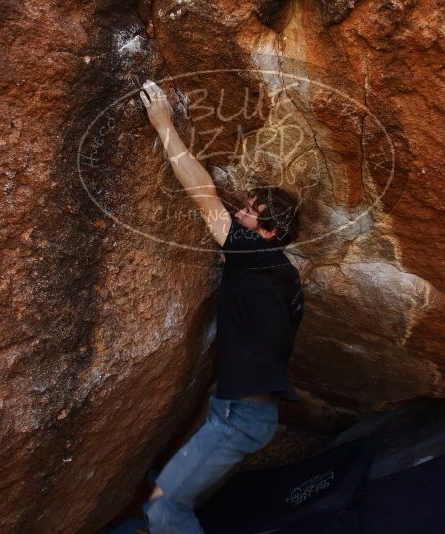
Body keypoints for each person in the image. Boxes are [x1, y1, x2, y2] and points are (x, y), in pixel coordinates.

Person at [138, 80, 305, 533]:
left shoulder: (255, 255)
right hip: (238, 408)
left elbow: (203, 196)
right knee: (166, 489)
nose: (240, 214)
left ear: (268, 232)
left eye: (250, 212)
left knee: (165, 508)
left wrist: (164, 125)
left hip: (239, 417)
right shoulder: (284, 276)